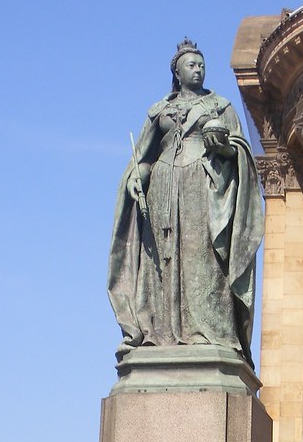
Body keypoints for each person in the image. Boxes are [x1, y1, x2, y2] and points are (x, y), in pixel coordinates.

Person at [108, 39, 263, 368]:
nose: (198, 69)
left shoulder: (220, 107)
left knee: (203, 259)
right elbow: (144, 159)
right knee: (164, 263)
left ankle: (212, 331)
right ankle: (164, 332)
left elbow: (240, 151)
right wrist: (138, 178)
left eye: (202, 65)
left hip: (203, 188)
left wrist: (222, 146)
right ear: (177, 72)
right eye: (192, 65)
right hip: (165, 188)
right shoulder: (159, 111)